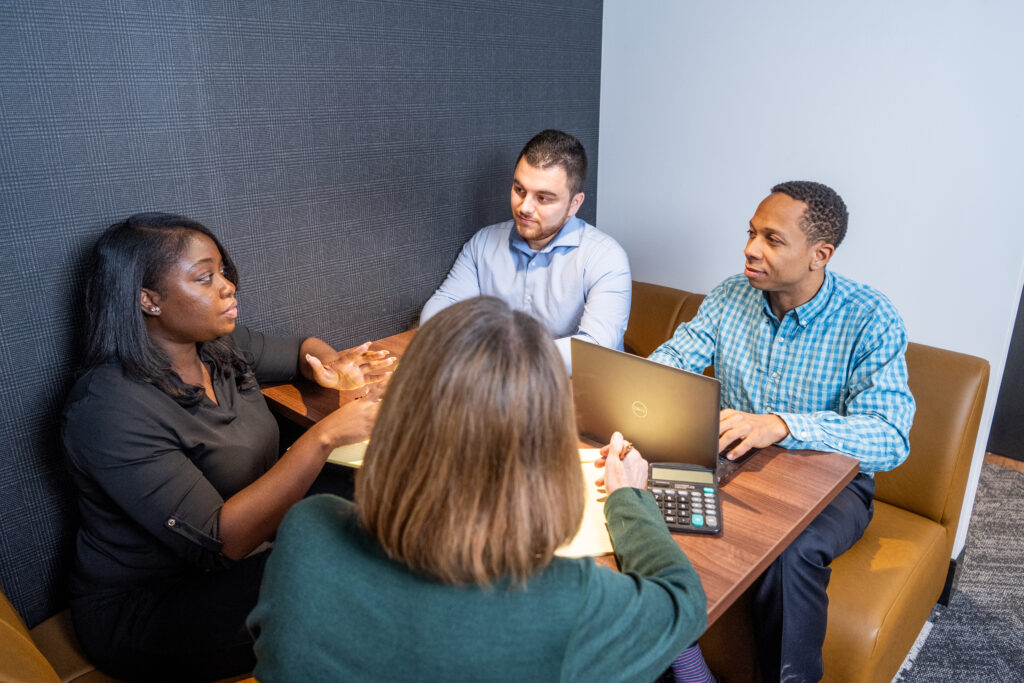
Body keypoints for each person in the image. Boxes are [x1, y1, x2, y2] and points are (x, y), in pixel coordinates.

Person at [248, 296, 708, 682]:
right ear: (548, 450)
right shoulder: (567, 602)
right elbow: (684, 602)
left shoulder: (307, 533)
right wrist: (629, 497)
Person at [62, 212, 395, 682]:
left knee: (391, 493)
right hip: (157, 606)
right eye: (205, 277)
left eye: (223, 271)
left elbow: (302, 348)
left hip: (251, 535)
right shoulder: (108, 408)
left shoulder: (214, 346)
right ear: (148, 300)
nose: (228, 287)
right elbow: (224, 542)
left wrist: (333, 363)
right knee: (353, 571)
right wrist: (325, 435)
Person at [648, 181, 916, 682]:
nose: (750, 249)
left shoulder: (869, 317)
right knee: (633, 502)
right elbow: (672, 362)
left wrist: (784, 425)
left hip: (828, 484)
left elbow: (889, 437)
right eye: (751, 233)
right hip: (727, 457)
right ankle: (678, 664)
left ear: (820, 254)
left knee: (790, 555)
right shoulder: (731, 295)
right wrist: (647, 391)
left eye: (772, 239)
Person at [420, 129, 631, 370]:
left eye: (543, 198)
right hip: (494, 389)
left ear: (575, 204)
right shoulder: (483, 243)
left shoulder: (606, 258)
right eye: (519, 190)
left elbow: (595, 349)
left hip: (574, 393)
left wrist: (501, 356)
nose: (524, 207)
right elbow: (444, 305)